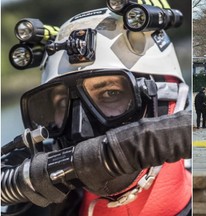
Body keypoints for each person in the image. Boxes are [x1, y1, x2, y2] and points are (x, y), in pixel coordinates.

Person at [1, 2, 191, 216]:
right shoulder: (34, 209)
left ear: (172, 101)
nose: (79, 131)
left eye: (111, 93)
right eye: (62, 104)